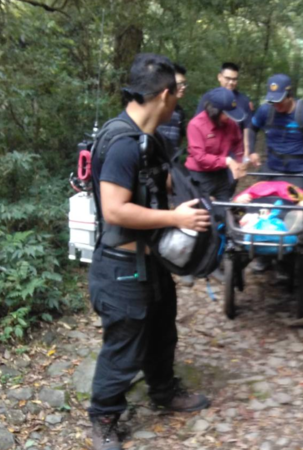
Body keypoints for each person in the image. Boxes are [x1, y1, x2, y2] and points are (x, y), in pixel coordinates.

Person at [87, 53, 211, 450]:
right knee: (124, 345)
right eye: (177, 92)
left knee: (161, 328)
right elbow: (114, 209)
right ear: (163, 94)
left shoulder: (150, 139)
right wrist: (176, 219)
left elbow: (163, 187)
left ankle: (163, 389)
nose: (180, 99)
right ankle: (104, 415)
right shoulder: (122, 143)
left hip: (150, 259)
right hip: (121, 267)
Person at [247, 73, 303, 273]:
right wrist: (252, 150)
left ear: (289, 95)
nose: (276, 106)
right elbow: (252, 128)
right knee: (260, 209)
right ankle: (263, 254)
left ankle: (285, 261)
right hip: (271, 169)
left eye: (280, 101)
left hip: (296, 172)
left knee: (288, 213)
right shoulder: (266, 111)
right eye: (273, 101)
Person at [186, 87, 246, 202]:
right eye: (227, 114)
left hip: (221, 175)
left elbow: (238, 141)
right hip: (200, 176)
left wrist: (239, 161)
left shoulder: (231, 124)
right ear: (215, 112)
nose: (229, 118)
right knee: (202, 213)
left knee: (224, 208)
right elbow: (200, 157)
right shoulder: (195, 125)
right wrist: (227, 161)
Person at [196, 62, 256, 163]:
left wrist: (247, 151)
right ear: (220, 77)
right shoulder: (208, 98)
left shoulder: (244, 101)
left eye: (234, 79)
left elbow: (247, 127)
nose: (231, 82)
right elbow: (197, 123)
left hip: (232, 150)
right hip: (210, 151)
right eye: (228, 78)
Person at [157, 62, 187, 159]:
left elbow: (180, 138)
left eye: (184, 84)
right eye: (179, 84)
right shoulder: (155, 109)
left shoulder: (179, 111)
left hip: (172, 162)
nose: (183, 87)